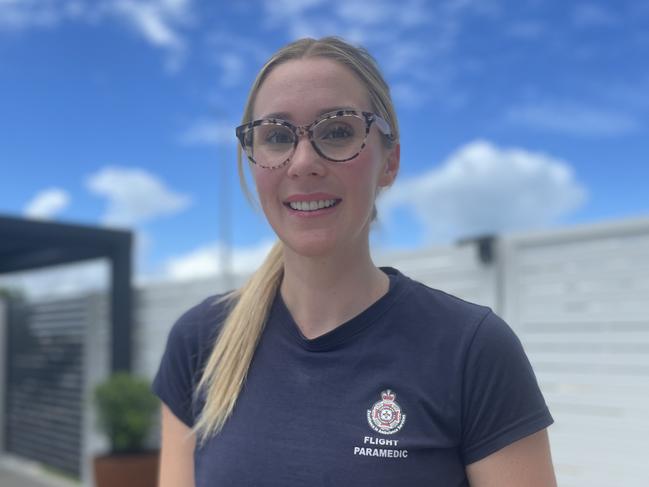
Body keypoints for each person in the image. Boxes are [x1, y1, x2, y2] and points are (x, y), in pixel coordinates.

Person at [152, 37, 557, 487]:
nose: (303, 162)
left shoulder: (471, 350)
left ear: (390, 162)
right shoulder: (200, 343)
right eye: (277, 136)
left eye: (338, 131)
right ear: (252, 159)